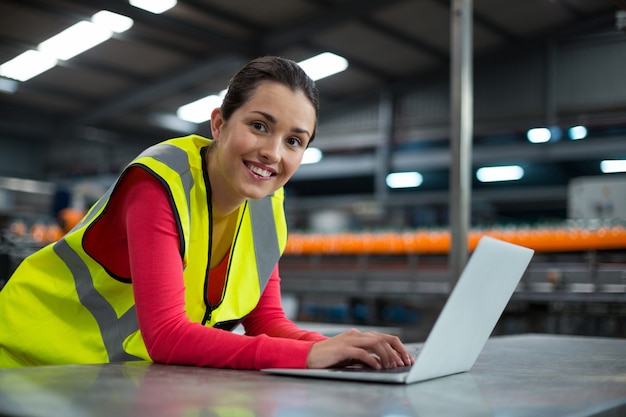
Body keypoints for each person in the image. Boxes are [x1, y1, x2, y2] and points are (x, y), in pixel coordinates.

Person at [0, 56, 414, 370]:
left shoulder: (266, 207)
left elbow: (266, 321)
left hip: (97, 380)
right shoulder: (161, 182)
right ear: (218, 124)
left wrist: (342, 347)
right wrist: (309, 354)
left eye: (294, 140)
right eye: (259, 126)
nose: (272, 153)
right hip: (25, 363)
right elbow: (165, 336)